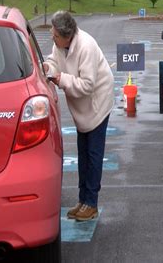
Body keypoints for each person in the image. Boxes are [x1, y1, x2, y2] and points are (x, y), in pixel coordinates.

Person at [44, 11, 114, 221]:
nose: (52, 37)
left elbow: (87, 85)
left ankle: (91, 203)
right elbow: (54, 60)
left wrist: (60, 79)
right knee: (83, 152)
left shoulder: (86, 46)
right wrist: (48, 68)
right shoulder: (60, 44)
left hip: (97, 102)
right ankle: (83, 199)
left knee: (93, 154)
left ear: (67, 36)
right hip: (82, 107)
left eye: (55, 35)